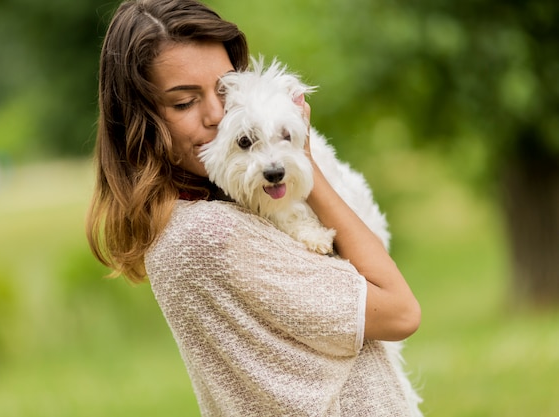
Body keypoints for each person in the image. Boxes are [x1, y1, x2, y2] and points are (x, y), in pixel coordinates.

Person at [86, 0, 422, 415]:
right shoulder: (209, 235)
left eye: (225, 90)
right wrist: (307, 164)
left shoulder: (207, 210)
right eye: (184, 102)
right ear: (141, 122)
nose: (215, 115)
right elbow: (400, 311)